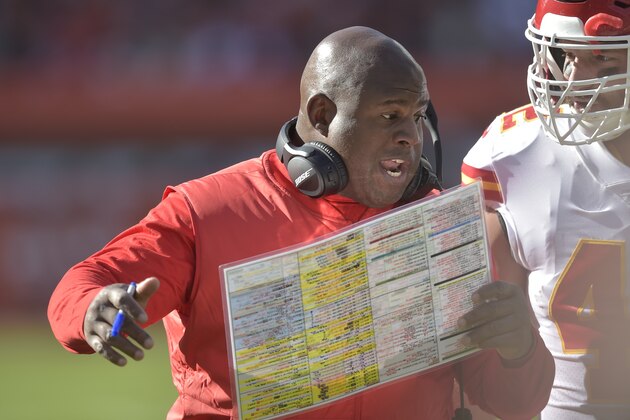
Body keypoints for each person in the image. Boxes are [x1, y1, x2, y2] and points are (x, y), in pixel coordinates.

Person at [48, 26, 553, 419]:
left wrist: (518, 347)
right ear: (323, 112)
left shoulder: (441, 227)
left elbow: (513, 401)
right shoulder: (208, 211)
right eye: (389, 115)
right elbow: (85, 283)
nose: (411, 136)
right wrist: (93, 309)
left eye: (417, 116)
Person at [462, 1, 630, 418]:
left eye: (603, 59)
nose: (572, 81)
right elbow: (487, 360)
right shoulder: (514, 156)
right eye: (565, 54)